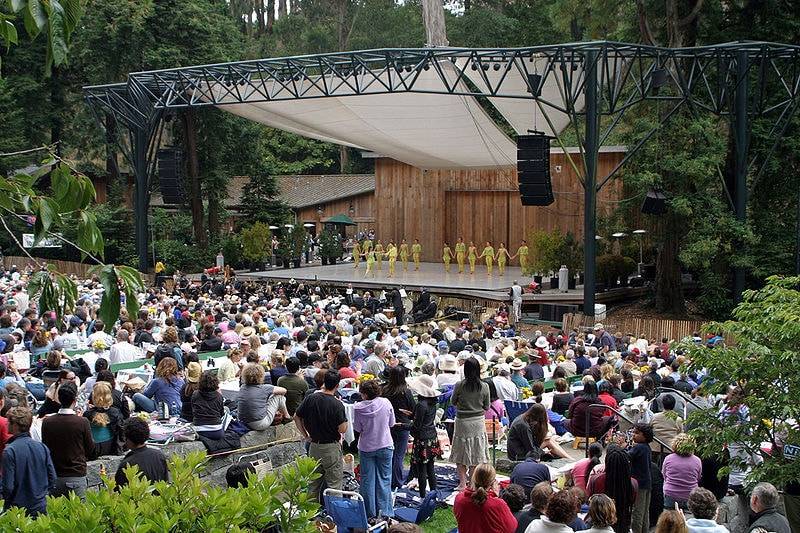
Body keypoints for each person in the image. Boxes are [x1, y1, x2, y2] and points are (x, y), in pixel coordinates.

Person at [294, 369, 348, 503]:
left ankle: (311, 517)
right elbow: (342, 429)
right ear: (337, 386)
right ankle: (334, 517)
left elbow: (296, 417)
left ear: (324, 382)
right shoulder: (337, 404)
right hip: (330, 447)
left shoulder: (311, 398)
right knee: (334, 486)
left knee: (313, 484)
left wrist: (305, 435)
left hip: (314, 445)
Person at [41, 382, 96, 500]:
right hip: (76, 475)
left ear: (59, 399)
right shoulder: (82, 422)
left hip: (55, 475)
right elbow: (91, 450)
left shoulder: (47, 422)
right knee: (79, 515)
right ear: (75, 400)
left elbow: (45, 449)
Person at [353, 379, 395, 519]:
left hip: (367, 447)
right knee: (384, 478)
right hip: (385, 444)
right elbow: (392, 423)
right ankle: (385, 513)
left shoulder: (358, 408)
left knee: (367, 480)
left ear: (363, 394)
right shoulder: (386, 402)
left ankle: (369, 513)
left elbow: (357, 428)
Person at [1, 407, 56, 516]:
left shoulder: (10, 451)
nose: (7, 424)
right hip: (40, 506)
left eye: (9, 422)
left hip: (17, 510)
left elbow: (8, 486)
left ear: (15, 425)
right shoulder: (42, 447)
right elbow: (52, 478)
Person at [451, 357, 491, 491]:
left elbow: (453, 401)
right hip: (478, 422)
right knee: (476, 452)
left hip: (462, 421)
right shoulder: (484, 386)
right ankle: (472, 483)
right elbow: (487, 406)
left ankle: (462, 483)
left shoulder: (459, 385)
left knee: (461, 452)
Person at [454, 463, 517, 533]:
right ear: (493, 483)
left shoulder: (459, 499)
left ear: (473, 478)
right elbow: (511, 528)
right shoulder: (498, 504)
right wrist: (497, 496)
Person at [588, 445, 638, 533]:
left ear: (607, 462)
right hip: (623, 523)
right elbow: (632, 502)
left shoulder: (596, 480)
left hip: (598, 521)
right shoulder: (633, 483)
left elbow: (590, 499)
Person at [407, 374, 442, 498]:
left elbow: (417, 425)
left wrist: (407, 425)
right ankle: (433, 493)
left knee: (421, 469)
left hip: (422, 438)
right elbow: (426, 418)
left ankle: (422, 495)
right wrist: (412, 415)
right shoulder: (432, 403)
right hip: (432, 436)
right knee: (430, 467)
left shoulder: (421, 404)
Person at [382, 366, 415, 490]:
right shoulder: (406, 392)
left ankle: (388, 478)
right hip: (402, 425)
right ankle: (397, 480)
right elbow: (413, 408)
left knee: (389, 453)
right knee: (398, 455)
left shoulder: (385, 391)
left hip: (388, 424)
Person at [114, 417, 169, 487]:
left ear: (128, 438)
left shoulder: (127, 464)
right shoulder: (158, 455)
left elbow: (119, 492)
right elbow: (165, 481)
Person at [237, 363, 290, 430]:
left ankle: (282, 416)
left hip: (243, 421)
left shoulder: (242, 387)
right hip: (259, 424)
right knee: (279, 396)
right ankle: (287, 416)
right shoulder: (264, 388)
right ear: (261, 376)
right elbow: (284, 391)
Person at [662, 433, 702, 510]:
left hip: (671, 494)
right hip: (690, 495)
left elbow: (664, 475)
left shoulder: (668, 458)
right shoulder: (697, 460)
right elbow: (698, 477)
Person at [84, 381, 123, 456]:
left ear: (94, 396)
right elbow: (120, 432)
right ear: (109, 396)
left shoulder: (87, 414)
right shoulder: (115, 412)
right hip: (110, 446)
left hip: (93, 449)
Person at [628, 424, 653, 533]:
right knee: (644, 512)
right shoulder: (647, 447)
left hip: (639, 484)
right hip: (647, 483)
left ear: (645, 436)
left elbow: (627, 456)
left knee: (637, 512)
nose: (634, 435)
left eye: (637, 433)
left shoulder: (638, 447)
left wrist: (624, 447)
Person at [191, 371, 224, 439]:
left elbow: (193, 411)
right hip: (216, 431)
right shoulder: (219, 396)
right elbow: (221, 413)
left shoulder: (195, 394)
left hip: (199, 430)